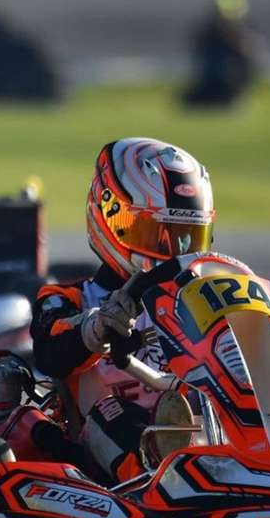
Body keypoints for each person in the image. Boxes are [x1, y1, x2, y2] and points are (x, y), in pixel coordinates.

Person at [30, 138, 216, 484]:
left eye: (189, 238)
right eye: (158, 236)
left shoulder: (201, 297)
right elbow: (48, 351)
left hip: (200, 426)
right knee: (118, 415)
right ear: (112, 217)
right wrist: (96, 328)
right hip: (107, 435)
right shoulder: (72, 297)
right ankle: (158, 484)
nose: (175, 254)